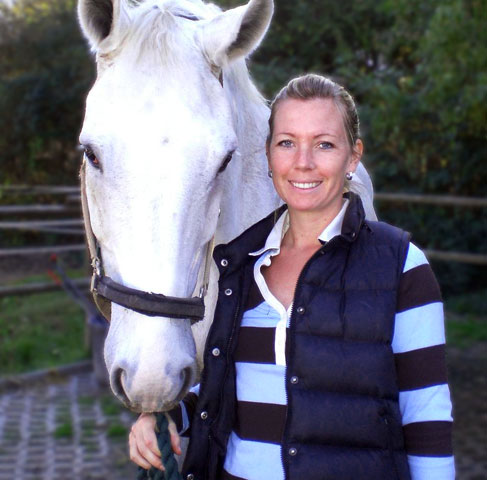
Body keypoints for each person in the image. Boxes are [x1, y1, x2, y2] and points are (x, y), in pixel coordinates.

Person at [129, 74, 455, 480]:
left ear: (353, 157)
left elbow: (426, 414)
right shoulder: (239, 264)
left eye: (324, 144)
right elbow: (230, 388)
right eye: (287, 143)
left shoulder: (401, 265)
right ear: (268, 155)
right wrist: (168, 417)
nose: (303, 162)